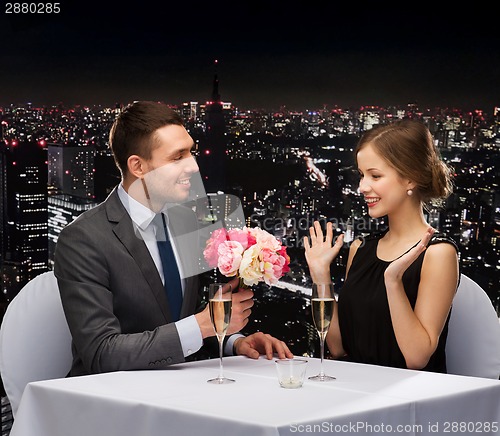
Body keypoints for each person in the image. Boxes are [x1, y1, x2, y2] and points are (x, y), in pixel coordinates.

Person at [54, 100, 292, 376]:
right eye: (178, 157)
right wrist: (204, 324)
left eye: (191, 152)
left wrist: (233, 342)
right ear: (138, 167)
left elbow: (182, 318)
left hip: (183, 390)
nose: (193, 166)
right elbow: (101, 354)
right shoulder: (84, 239)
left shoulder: (187, 222)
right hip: (112, 405)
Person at [304, 120, 459, 373]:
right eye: (362, 175)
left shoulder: (438, 253)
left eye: (375, 175)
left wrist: (393, 280)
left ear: (410, 179)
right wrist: (321, 275)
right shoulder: (360, 248)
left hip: (408, 402)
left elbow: (417, 358)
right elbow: (338, 347)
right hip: (355, 389)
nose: (362, 187)